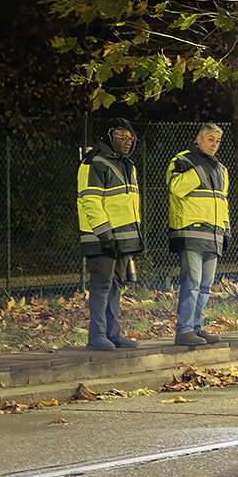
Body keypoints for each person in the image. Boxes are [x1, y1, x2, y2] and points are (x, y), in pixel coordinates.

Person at [76, 117, 144, 351]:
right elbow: (90, 201)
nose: (128, 142)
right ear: (110, 135)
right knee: (102, 286)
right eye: (122, 137)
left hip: (123, 240)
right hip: (101, 238)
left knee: (116, 285)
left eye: (130, 138)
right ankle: (96, 336)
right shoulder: (94, 162)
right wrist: (106, 235)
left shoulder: (127, 165)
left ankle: (113, 334)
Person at [168, 122, 230, 348]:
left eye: (218, 140)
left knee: (205, 285)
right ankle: (183, 330)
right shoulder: (183, 160)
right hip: (191, 231)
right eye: (210, 139)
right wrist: (201, 167)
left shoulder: (221, 169)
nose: (215, 144)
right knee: (191, 282)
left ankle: (196, 327)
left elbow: (222, 203)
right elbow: (175, 187)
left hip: (213, 235)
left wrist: (226, 230)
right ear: (199, 139)